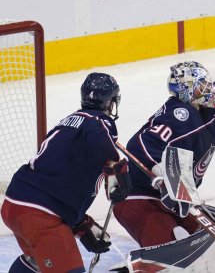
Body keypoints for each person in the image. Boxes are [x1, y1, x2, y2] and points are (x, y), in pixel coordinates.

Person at [112, 61, 215, 271]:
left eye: (206, 82)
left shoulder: (210, 102)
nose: (209, 89)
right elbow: (139, 145)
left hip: (172, 191)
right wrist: (160, 176)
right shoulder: (179, 115)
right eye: (202, 85)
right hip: (136, 196)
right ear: (187, 92)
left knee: (208, 231)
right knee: (169, 248)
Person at [1, 73, 132, 272]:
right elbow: (101, 141)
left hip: (14, 204)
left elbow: (63, 178)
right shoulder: (100, 122)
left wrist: (80, 224)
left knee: (36, 260)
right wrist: (116, 167)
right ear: (110, 101)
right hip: (41, 215)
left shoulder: (66, 122)